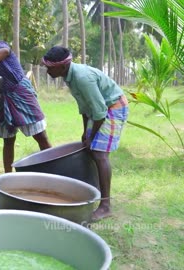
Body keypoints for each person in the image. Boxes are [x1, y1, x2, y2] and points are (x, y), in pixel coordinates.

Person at [41, 46, 129, 221]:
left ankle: (105, 206)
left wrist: (91, 136)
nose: (47, 70)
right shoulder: (69, 76)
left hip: (113, 106)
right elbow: (84, 106)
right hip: (100, 110)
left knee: (99, 153)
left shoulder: (82, 78)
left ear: (62, 66)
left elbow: (99, 111)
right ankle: (93, 192)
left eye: (49, 67)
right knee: (88, 149)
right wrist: (85, 133)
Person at [0, 29, 52, 173]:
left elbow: (5, 52)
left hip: (20, 92)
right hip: (4, 97)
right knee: (8, 139)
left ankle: (55, 169)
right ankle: (8, 176)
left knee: (40, 135)